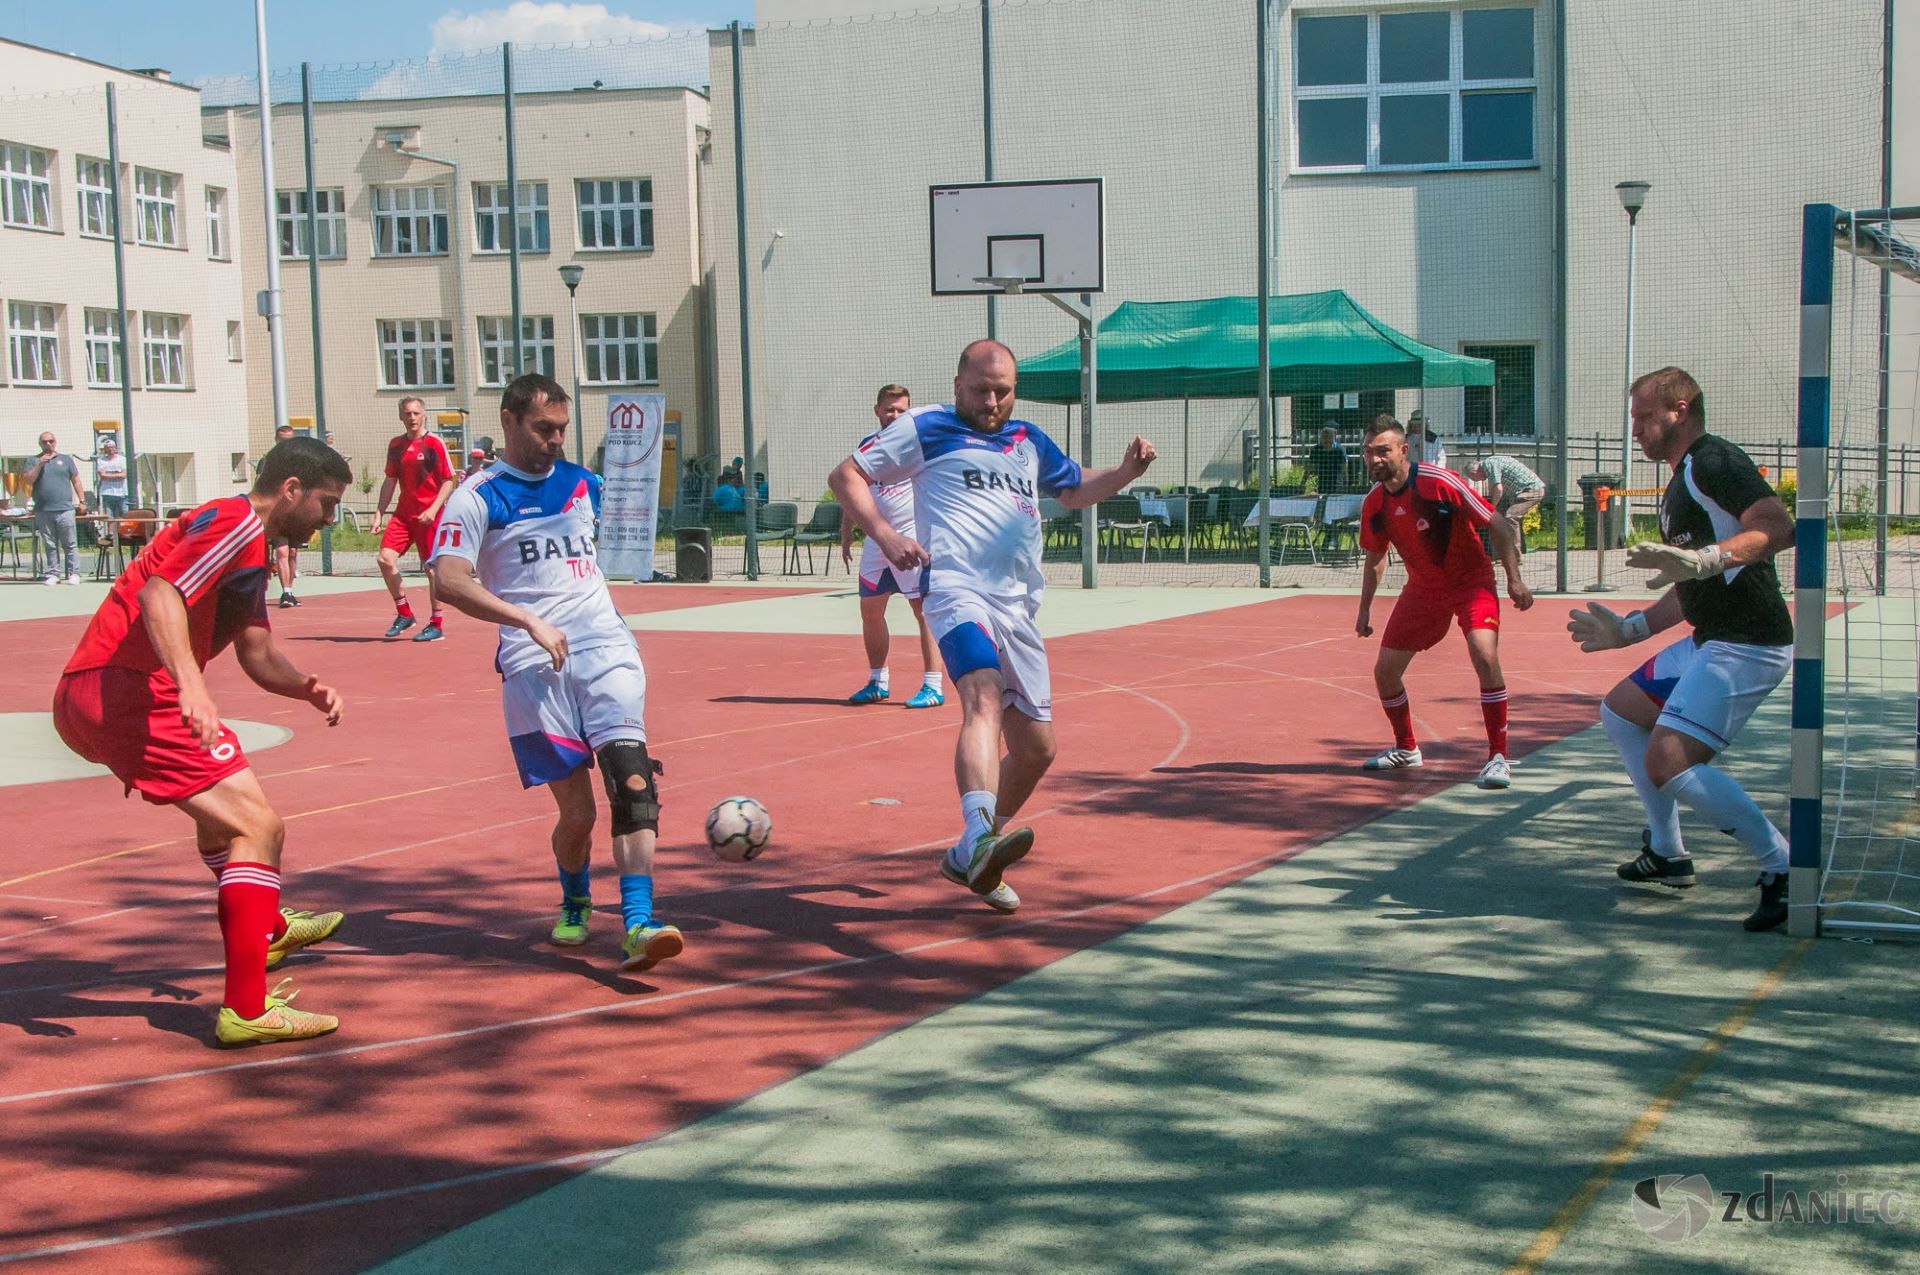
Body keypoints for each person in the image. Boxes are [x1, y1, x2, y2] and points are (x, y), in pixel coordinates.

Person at [829, 339, 1156, 913]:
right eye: (981, 389)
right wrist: (884, 534)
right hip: (956, 591)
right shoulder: (927, 427)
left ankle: (969, 854)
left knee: (1037, 749)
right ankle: (979, 830)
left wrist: (1127, 471)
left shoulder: (1027, 440)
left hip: (1019, 607)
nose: (992, 400)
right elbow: (846, 475)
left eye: (1003, 390)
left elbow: (1076, 488)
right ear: (958, 385)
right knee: (980, 698)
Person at [52, 436, 351, 1046]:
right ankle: (245, 1007)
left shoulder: (250, 550)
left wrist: (304, 688)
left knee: (235, 814)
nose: (328, 521)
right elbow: (159, 592)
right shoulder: (237, 520)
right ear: (291, 489)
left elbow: (257, 652)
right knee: (258, 830)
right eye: (326, 505)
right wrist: (191, 684)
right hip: (129, 687)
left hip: (110, 687)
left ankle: (266, 927)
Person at [429, 373, 683, 973]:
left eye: (563, 429)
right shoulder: (477, 495)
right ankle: (574, 900)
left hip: (604, 644)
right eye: (544, 428)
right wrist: (526, 621)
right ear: (510, 421)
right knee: (578, 815)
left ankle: (639, 923)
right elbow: (448, 579)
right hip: (531, 663)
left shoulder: (581, 482)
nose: (556, 440)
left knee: (633, 784)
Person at [1566, 367, 1796, 932]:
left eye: (1646, 417)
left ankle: (1785, 868)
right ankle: (1668, 852)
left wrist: (1711, 559)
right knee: (1621, 710)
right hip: (1712, 639)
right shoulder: (1679, 480)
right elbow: (1691, 581)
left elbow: (1778, 525)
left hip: (1749, 643)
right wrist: (1632, 630)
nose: (1637, 429)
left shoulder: (1712, 462)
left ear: (1681, 407)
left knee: (1668, 761)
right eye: (1634, 419)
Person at [1353, 415, 1533, 789]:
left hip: (1471, 582)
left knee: (1484, 654)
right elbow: (1376, 557)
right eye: (1368, 453)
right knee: (1385, 672)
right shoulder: (1374, 504)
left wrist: (1514, 580)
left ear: (1404, 451)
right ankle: (1406, 749)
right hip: (1423, 590)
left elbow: (1497, 522)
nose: (1374, 460)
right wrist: (1364, 609)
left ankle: (1498, 757)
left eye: (1383, 451)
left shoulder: (1440, 482)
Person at [840, 384, 943, 709]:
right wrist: (847, 531)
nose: (895, 415)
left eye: (902, 410)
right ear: (877, 410)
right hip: (875, 542)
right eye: (890, 409)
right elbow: (852, 489)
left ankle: (933, 685)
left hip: (909, 539)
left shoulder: (919, 446)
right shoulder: (867, 446)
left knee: (923, 612)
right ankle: (877, 681)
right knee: (870, 610)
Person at [374, 398, 456, 641]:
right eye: (407, 413)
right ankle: (404, 613)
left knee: (431, 571)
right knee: (385, 559)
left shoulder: (434, 443)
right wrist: (379, 512)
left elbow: (450, 480)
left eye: (416, 413)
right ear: (401, 416)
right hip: (403, 515)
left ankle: (436, 623)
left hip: (429, 516)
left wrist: (432, 509)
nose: (412, 417)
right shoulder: (396, 446)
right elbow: (390, 481)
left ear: (424, 416)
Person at [27, 430, 85, 585]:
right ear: (40, 444)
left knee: (70, 543)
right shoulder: (33, 460)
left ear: (55, 442)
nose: (48, 444)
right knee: (50, 544)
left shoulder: (66, 460)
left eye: (50, 441)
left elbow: (76, 480)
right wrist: (40, 464)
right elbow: (29, 480)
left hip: (65, 508)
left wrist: (82, 500)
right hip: (43, 510)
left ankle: (74, 573)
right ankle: (54, 573)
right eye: (44, 442)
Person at [1467, 453, 1547, 552]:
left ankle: (1514, 557)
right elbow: (1496, 489)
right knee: (1505, 517)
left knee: (1511, 517)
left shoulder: (1489, 464)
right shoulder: (1492, 462)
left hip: (1531, 490)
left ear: (1474, 472)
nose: (1476, 481)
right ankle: (1503, 554)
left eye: (1473, 479)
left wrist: (1491, 509)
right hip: (1527, 490)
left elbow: (1498, 489)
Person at [263, 425, 304, 609]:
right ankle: (285, 592)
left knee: (293, 553)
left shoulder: (301, 463)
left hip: (295, 514)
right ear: (276, 440)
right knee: (282, 551)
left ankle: (290, 590)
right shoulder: (267, 461)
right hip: (278, 513)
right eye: (282, 440)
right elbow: (261, 487)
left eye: (289, 440)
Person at [1304, 426, 1347, 495]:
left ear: (1333, 438)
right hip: (1322, 484)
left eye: (1330, 438)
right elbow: (1309, 467)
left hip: (1337, 484)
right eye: (1325, 438)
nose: (1327, 440)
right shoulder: (1316, 450)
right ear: (1321, 438)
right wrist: (1303, 482)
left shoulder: (1339, 450)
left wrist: (1346, 485)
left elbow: (1344, 468)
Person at [94, 435, 128, 520]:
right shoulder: (101, 460)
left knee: (125, 515)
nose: (110, 449)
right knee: (109, 517)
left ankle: (124, 533)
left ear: (115, 448)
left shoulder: (122, 459)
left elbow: (123, 475)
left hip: (121, 493)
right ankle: (111, 533)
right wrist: (117, 474)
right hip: (107, 492)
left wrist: (108, 475)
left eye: (112, 447)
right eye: (108, 447)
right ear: (105, 449)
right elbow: (102, 475)